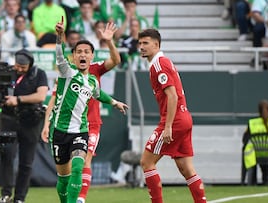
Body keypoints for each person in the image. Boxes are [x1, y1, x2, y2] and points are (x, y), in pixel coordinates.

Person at [41, 17, 128, 203]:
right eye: (79, 52)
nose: (82, 55)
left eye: (86, 52)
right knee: (63, 178)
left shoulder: (93, 78)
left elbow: (99, 93)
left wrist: (114, 103)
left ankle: (78, 200)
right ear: (73, 56)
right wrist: (59, 37)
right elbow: (59, 57)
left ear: (91, 56)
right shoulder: (67, 72)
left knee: (80, 165)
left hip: (81, 129)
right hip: (59, 130)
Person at [138, 28, 207, 203]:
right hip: (184, 118)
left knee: (147, 162)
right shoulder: (161, 63)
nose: (141, 47)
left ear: (156, 44)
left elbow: (172, 95)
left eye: (145, 43)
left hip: (174, 120)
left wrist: (168, 126)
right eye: (140, 43)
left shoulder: (159, 64)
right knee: (186, 168)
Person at [0, 49, 49, 203]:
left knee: (26, 162)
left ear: (30, 65)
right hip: (8, 119)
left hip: (30, 121)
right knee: (7, 155)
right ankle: (6, 194)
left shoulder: (38, 74)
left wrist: (18, 99)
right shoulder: (7, 72)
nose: (20, 69)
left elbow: (41, 96)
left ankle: (20, 198)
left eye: (23, 67)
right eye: (18, 66)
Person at [242, 99, 268, 185]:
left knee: (252, 154)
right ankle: (267, 180)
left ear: (258, 111)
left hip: (255, 155)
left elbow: (244, 140)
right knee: (266, 159)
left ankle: (252, 181)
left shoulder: (252, 123)